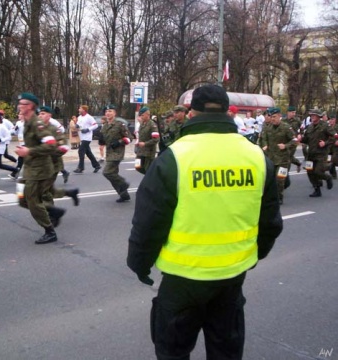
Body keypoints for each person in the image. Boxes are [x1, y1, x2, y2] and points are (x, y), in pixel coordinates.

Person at [127, 84, 283, 360]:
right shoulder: (256, 156)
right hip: (232, 279)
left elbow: (148, 223)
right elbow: (270, 222)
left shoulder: (175, 157)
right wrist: (253, 255)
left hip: (182, 281)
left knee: (173, 351)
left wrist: (139, 263)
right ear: (227, 111)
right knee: (225, 350)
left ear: (191, 113)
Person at [14, 93, 59, 244]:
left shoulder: (37, 123)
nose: (20, 105)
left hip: (39, 170)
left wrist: (29, 151)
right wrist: (26, 148)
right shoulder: (26, 123)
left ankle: (49, 231)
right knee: (22, 199)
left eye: (24, 103)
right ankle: (51, 211)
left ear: (31, 106)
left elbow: (51, 144)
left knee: (33, 201)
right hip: (29, 168)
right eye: (20, 103)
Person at [38, 106, 80, 225]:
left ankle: (53, 215)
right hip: (41, 166)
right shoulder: (38, 128)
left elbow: (63, 146)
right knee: (49, 190)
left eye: (43, 113)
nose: (40, 116)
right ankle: (70, 193)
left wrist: (49, 154)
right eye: (39, 114)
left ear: (49, 115)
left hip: (53, 165)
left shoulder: (54, 129)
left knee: (43, 192)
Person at [261, 107, 296, 205]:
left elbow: (294, 140)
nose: (273, 119)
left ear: (280, 116)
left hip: (283, 159)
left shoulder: (286, 127)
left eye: (275, 117)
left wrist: (285, 146)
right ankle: (284, 184)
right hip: (272, 159)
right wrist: (265, 145)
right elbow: (264, 138)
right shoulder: (268, 128)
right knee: (270, 180)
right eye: (271, 117)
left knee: (279, 179)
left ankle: (279, 197)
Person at [299, 108, 336, 197]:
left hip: (321, 154)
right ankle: (317, 189)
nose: (312, 117)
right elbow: (307, 139)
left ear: (318, 117)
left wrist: (325, 143)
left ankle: (328, 177)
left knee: (318, 172)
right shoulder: (310, 127)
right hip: (311, 154)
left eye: (314, 115)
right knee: (310, 172)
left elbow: (334, 136)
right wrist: (301, 139)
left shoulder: (325, 126)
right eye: (311, 115)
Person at [101, 104, 131, 202]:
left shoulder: (120, 124)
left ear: (114, 113)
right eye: (106, 111)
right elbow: (103, 139)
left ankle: (123, 183)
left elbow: (129, 138)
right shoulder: (105, 126)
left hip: (117, 153)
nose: (108, 113)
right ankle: (124, 194)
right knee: (113, 175)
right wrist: (101, 140)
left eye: (110, 111)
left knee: (107, 172)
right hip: (109, 153)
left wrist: (119, 142)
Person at [74, 105, 101, 173]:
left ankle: (81, 167)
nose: (78, 109)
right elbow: (79, 125)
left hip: (87, 137)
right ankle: (97, 165)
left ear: (84, 110)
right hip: (82, 137)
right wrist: (77, 126)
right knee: (88, 153)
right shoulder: (79, 117)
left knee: (81, 151)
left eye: (80, 108)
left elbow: (95, 125)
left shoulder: (89, 117)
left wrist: (88, 129)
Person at [135, 106, 159, 174]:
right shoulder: (142, 124)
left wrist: (145, 143)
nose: (141, 117)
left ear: (147, 114)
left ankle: (150, 180)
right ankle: (150, 178)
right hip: (140, 151)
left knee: (148, 169)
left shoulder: (152, 125)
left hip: (149, 152)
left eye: (142, 115)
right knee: (137, 166)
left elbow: (156, 139)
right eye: (140, 115)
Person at [283, 106, 302, 172]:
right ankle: (298, 163)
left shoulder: (297, 120)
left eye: (294, 112)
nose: (294, 114)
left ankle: (286, 173)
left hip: (294, 141)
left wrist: (300, 134)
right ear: (288, 112)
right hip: (285, 141)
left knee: (288, 156)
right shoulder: (283, 120)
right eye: (292, 112)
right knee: (287, 156)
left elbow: (302, 128)